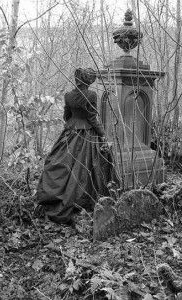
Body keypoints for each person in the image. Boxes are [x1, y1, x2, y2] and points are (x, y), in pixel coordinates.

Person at [36, 68, 119, 225]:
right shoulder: (92, 95)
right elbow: (92, 118)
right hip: (87, 133)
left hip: (70, 132)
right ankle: (85, 203)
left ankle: (56, 199)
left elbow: (66, 116)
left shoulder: (68, 95)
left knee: (63, 163)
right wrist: (103, 136)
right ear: (88, 81)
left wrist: (71, 124)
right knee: (88, 168)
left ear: (77, 80)